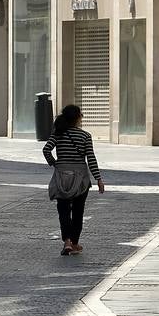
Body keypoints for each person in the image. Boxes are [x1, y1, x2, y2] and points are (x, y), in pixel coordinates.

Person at [43, 104, 104, 255]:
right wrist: (98, 179)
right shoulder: (85, 136)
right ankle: (75, 243)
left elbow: (46, 149)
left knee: (63, 210)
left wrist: (54, 162)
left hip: (62, 175)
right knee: (78, 211)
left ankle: (67, 242)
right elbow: (91, 158)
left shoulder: (58, 133)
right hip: (80, 178)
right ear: (77, 118)